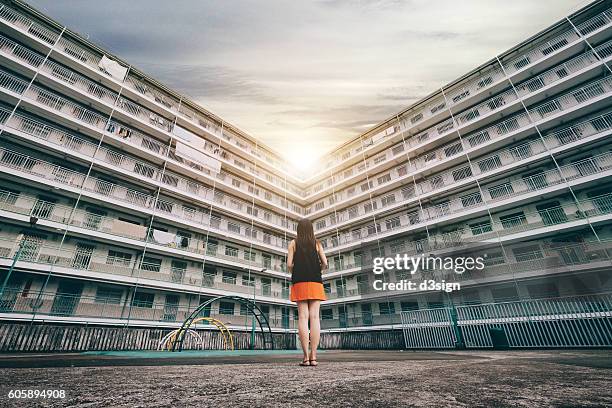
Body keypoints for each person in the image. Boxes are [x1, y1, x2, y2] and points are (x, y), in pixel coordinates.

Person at [287, 218, 327, 367]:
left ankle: (305, 357)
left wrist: (296, 270)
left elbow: (289, 264)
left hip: (299, 281)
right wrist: (318, 270)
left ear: (298, 230)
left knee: (303, 318)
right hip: (316, 281)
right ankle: (314, 357)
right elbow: (325, 263)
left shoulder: (293, 243)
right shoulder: (317, 243)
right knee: (315, 317)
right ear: (311, 230)